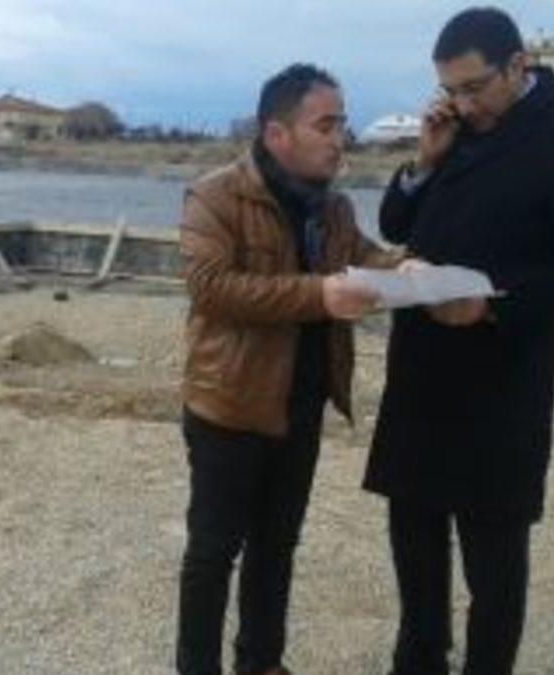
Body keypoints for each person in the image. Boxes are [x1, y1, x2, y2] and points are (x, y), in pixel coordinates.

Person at [362, 7, 554, 675]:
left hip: (502, 377)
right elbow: (396, 225)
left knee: (494, 564)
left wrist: (489, 304)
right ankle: (418, 660)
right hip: (421, 369)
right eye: (450, 89)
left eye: (475, 87)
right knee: (414, 540)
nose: (463, 103)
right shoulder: (455, 129)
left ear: (518, 65)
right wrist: (424, 162)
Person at [176, 63, 400, 675]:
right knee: (213, 552)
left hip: (301, 403)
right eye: (325, 126)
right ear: (277, 133)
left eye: (342, 125)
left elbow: (366, 257)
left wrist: (408, 269)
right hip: (229, 402)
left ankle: (261, 663)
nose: (339, 140)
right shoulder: (214, 195)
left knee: (277, 546)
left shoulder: (334, 207)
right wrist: (318, 294)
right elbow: (210, 286)